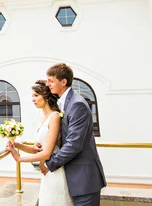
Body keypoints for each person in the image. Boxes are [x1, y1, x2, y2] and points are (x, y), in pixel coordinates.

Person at [44, 63, 107, 206]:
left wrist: (49, 163)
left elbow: (74, 144)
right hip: (73, 178)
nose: (48, 84)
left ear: (63, 82)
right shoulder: (65, 102)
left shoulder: (77, 104)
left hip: (84, 180)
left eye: (51, 80)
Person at [5, 79, 74, 206]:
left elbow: (47, 154)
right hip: (47, 174)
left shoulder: (55, 117)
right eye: (32, 96)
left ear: (46, 96)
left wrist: (19, 158)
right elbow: (38, 149)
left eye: (36, 95)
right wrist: (17, 145)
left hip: (55, 171)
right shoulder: (44, 118)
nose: (33, 99)